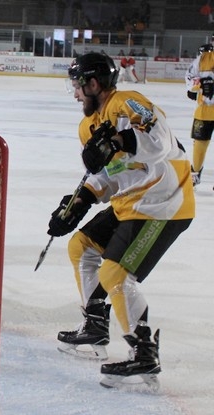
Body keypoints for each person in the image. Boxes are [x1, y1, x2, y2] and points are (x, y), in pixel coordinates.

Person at [51, 52, 194, 389]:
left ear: (93, 84)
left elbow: (161, 144)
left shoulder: (129, 103)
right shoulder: (87, 126)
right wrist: (79, 201)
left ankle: (143, 351)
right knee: (80, 246)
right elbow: (109, 172)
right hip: (133, 202)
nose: (74, 94)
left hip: (164, 203)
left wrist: (119, 140)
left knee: (114, 273)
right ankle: (96, 325)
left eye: (77, 86)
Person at [184, 42, 214, 187]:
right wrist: (201, 83)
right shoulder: (203, 59)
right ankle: (195, 173)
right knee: (199, 145)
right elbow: (189, 79)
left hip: (205, 109)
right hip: (204, 110)